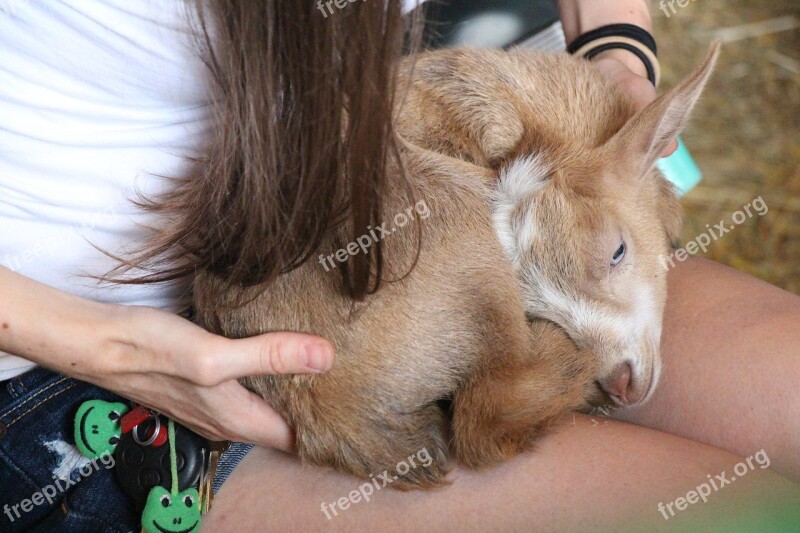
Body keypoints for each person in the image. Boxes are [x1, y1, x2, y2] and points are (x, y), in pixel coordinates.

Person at [0, 1, 797, 531]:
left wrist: (618, 57)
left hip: (433, 246)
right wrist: (116, 349)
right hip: (69, 361)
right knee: (751, 512)